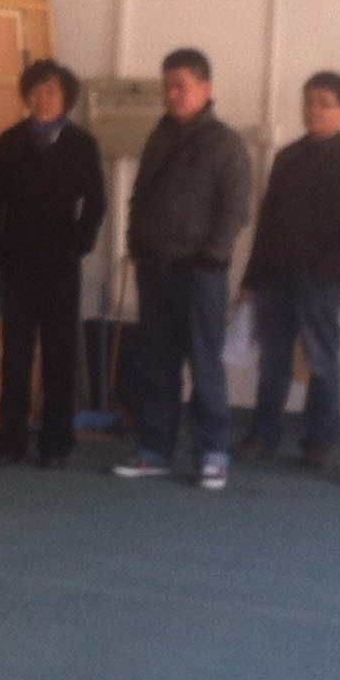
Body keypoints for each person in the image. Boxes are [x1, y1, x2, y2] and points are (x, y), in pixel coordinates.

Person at [112, 47, 252, 490]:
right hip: (155, 267)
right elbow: (139, 195)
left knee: (205, 364)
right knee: (156, 363)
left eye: (181, 86)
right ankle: (154, 451)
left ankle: (213, 454)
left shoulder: (226, 144)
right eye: (167, 86)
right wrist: (135, 240)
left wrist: (211, 256)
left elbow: (235, 208)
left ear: (206, 89)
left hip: (200, 274)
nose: (172, 94)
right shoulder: (159, 136)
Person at [237, 71, 340, 469]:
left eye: (324, 104)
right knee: (274, 359)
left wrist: (324, 266)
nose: (313, 111)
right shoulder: (287, 158)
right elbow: (266, 223)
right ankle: (263, 434)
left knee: (321, 358)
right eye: (308, 102)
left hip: (322, 280)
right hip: (276, 275)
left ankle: (319, 440)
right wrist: (251, 278)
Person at [0, 58, 105, 468]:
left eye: (51, 91)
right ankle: (9, 441)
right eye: (35, 90)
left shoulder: (81, 143)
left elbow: (96, 202)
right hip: (15, 260)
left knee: (59, 354)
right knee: (16, 354)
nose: (42, 98)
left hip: (61, 262)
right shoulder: (11, 140)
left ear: (65, 97)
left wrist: (78, 244)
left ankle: (56, 443)